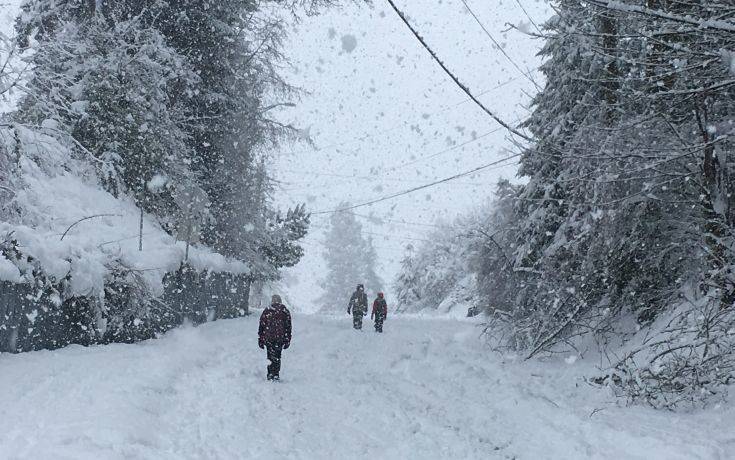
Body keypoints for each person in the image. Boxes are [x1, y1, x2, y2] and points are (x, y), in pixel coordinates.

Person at [258, 294, 292, 381]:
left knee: (270, 356)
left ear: (272, 301)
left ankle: (270, 374)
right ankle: (276, 374)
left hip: (269, 337)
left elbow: (262, 325)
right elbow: (288, 327)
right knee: (277, 356)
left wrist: (260, 339)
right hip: (280, 338)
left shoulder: (267, 311)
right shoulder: (285, 311)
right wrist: (287, 339)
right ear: (280, 301)